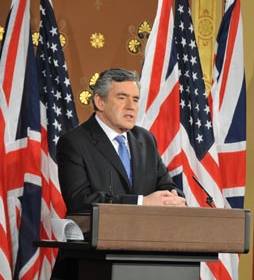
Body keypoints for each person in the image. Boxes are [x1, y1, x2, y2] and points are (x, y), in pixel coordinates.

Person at [56, 68, 186, 214]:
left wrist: (173, 198)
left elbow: (167, 186)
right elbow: (80, 201)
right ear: (100, 102)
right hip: (100, 234)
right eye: (122, 98)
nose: (131, 106)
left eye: (135, 99)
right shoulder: (75, 142)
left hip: (148, 233)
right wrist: (142, 202)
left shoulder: (145, 139)